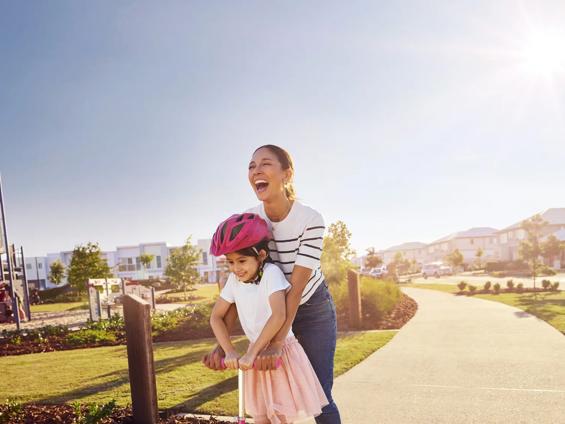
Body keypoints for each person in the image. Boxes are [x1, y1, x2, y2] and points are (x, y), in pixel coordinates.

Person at [204, 145, 341, 424]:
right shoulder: (251, 220)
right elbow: (240, 284)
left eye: (265, 164)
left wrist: (279, 342)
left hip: (310, 308)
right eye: (251, 166)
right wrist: (224, 345)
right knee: (269, 405)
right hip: (273, 312)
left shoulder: (310, 220)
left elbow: (296, 287)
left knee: (320, 395)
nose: (256, 171)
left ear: (286, 174)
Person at [209, 213, 328, 424]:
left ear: (261, 255)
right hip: (254, 358)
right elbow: (216, 317)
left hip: (278, 355)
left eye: (242, 261)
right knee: (261, 417)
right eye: (231, 262)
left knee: (280, 418)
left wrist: (252, 352)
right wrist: (228, 350)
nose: (236, 268)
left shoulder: (271, 273)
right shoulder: (234, 281)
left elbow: (279, 315)